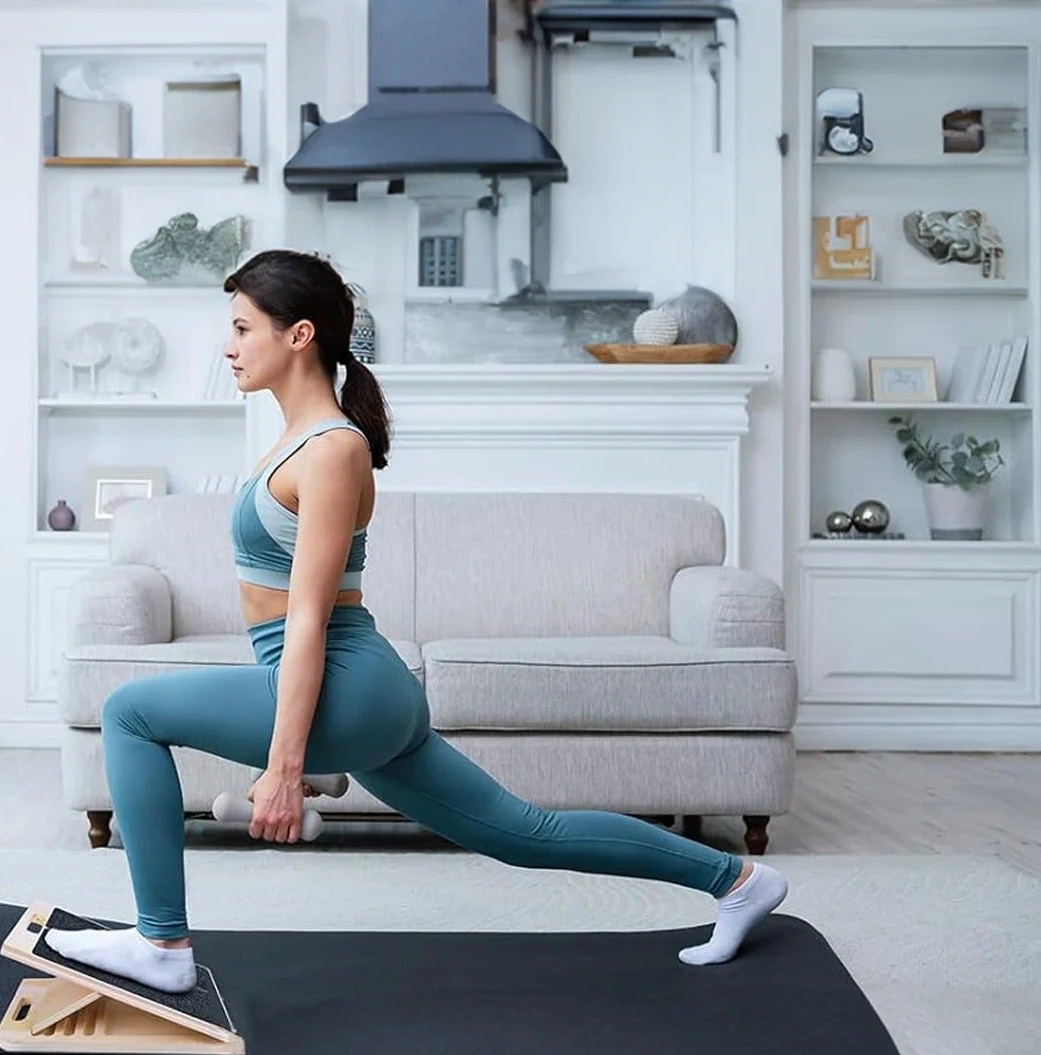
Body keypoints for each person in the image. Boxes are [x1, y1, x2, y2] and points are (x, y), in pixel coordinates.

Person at [47, 249, 788, 993]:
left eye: (242, 328)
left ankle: (162, 946)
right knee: (525, 834)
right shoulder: (299, 441)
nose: (228, 346)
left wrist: (284, 767)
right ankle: (737, 881)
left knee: (128, 712)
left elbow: (308, 621)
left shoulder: (333, 450)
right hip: (358, 691)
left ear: (299, 335)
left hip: (348, 681)